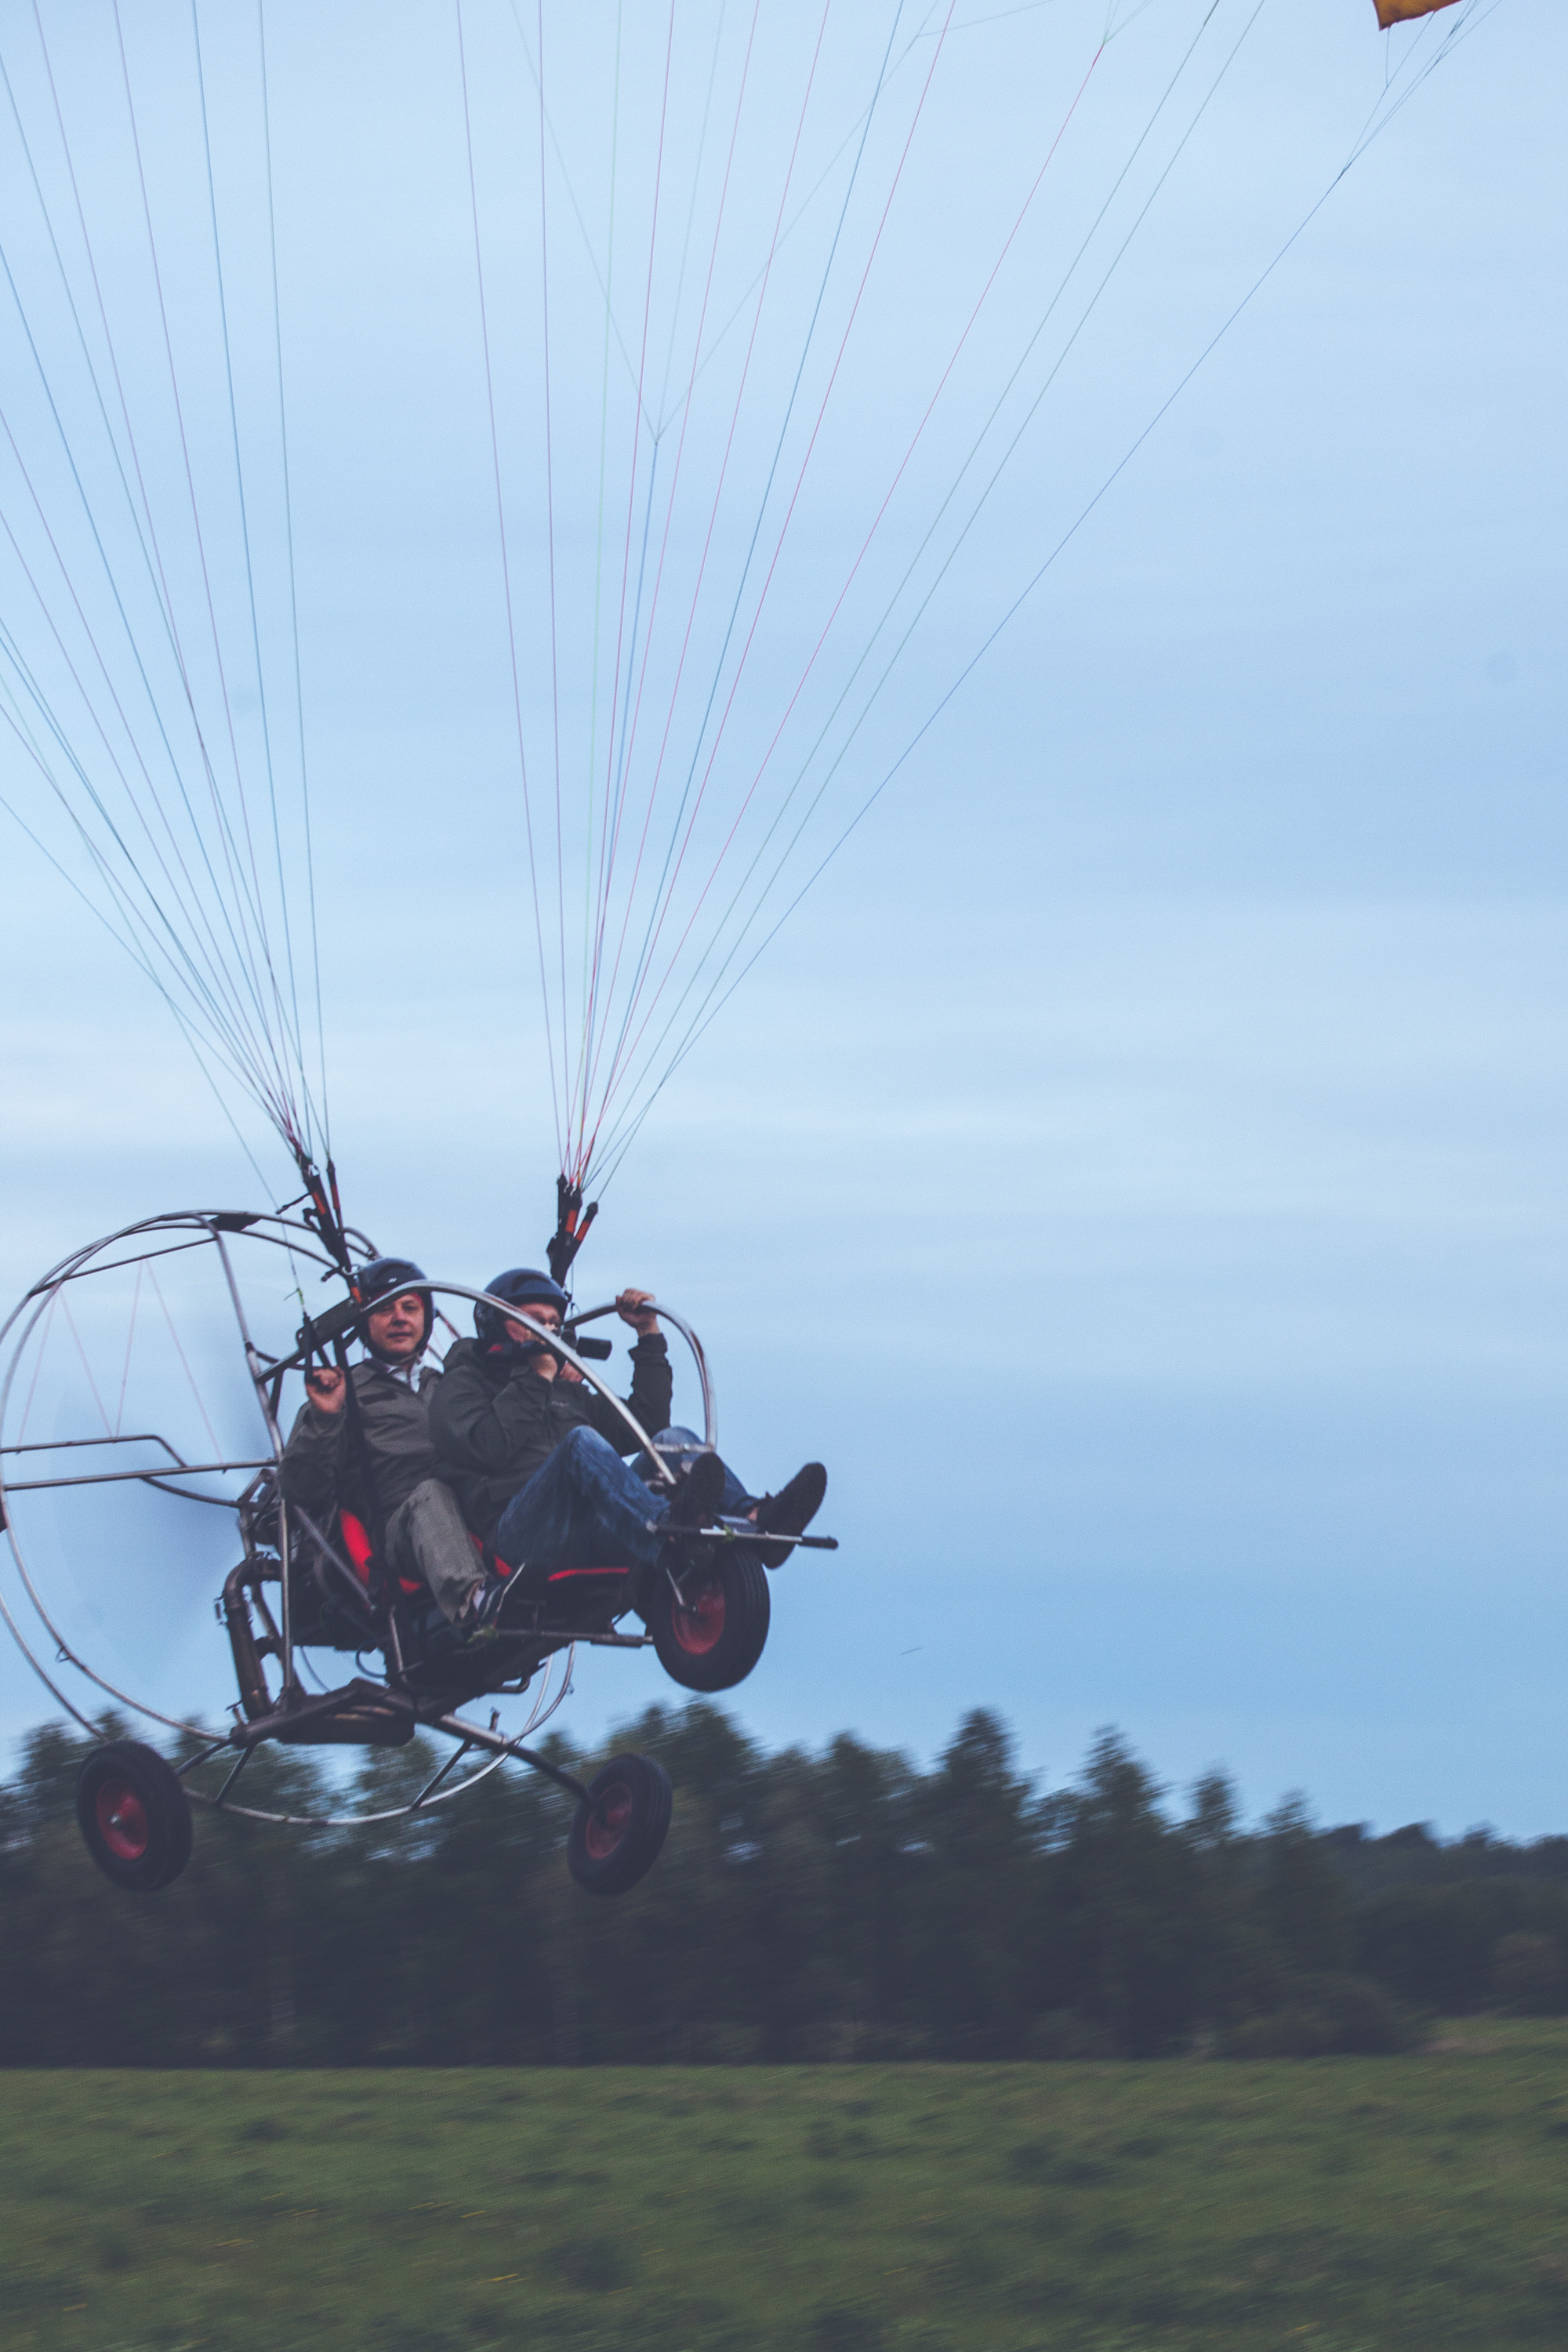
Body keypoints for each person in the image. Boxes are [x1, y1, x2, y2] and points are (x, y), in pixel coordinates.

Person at [430, 1267, 826, 1630]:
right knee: (579, 1444)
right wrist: (538, 1379)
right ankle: (669, 1532)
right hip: (519, 1536)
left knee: (673, 1440)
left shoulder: (565, 1391)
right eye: (534, 1322)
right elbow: (485, 1448)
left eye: (553, 1323)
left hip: (587, 1530)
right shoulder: (462, 1384)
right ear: (497, 1325)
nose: (547, 1332)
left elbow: (646, 1425)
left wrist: (648, 1335)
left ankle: (754, 1517)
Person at [278, 1257, 487, 1625]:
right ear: (365, 1322)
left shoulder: (453, 1387)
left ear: (426, 1319)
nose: (400, 1318)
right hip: (403, 1529)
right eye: (384, 1309)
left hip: (474, 1510)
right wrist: (326, 1417)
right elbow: (303, 1489)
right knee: (431, 1494)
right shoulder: (344, 1391)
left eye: (410, 1307)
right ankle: (476, 1607)